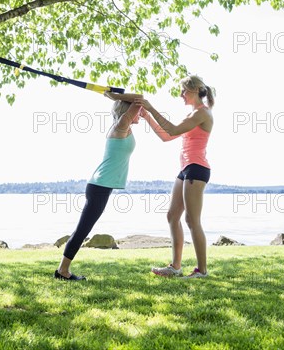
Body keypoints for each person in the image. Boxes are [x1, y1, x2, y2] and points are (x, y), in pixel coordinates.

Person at [55, 91, 143, 280]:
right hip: (99, 186)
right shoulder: (121, 125)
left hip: (101, 185)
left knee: (83, 228)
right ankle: (62, 271)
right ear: (128, 110)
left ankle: (63, 269)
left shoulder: (123, 126)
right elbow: (139, 98)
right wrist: (115, 97)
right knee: (83, 230)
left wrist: (119, 97)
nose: (141, 112)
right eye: (138, 110)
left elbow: (138, 102)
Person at [134, 75, 215, 279]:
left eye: (183, 91)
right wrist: (147, 117)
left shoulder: (202, 114)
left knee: (191, 219)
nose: (181, 95)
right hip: (186, 168)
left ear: (195, 90)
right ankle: (175, 267)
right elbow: (166, 136)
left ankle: (202, 271)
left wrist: (151, 108)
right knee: (172, 216)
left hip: (197, 168)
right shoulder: (192, 115)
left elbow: (172, 129)